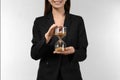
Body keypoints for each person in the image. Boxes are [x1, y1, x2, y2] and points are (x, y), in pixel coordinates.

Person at [31, 0, 88, 80]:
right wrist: (47, 37)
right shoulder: (39, 22)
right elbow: (34, 54)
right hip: (46, 76)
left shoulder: (77, 21)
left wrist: (73, 51)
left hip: (72, 76)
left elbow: (83, 54)